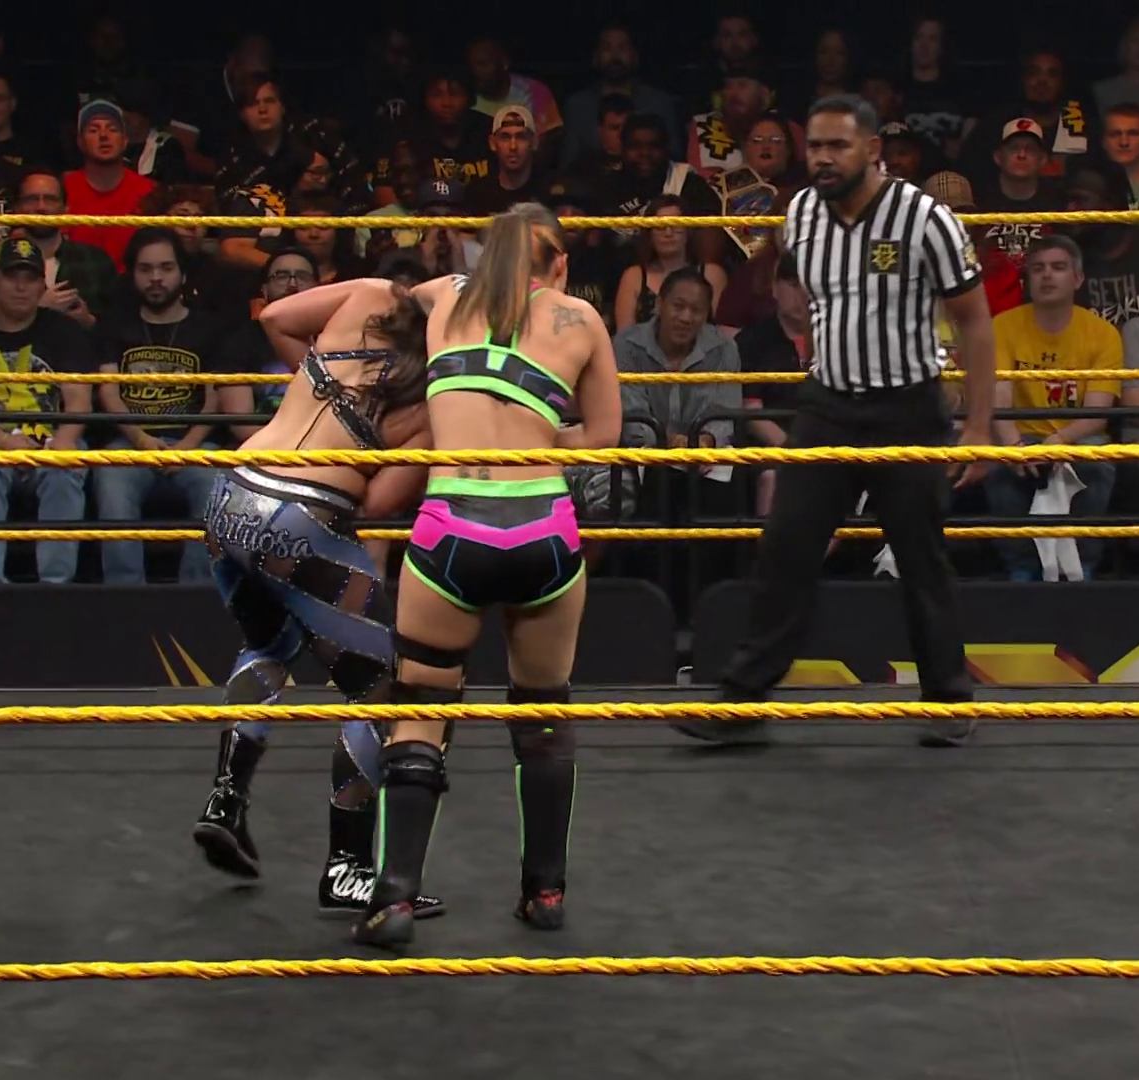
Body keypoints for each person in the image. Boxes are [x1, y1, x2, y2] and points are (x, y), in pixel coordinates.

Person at [671, 94, 997, 748]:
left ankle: (948, 697)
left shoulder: (924, 218)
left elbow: (975, 321)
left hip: (908, 407)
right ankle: (743, 700)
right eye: (815, 145)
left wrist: (980, 427)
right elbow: (824, 305)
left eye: (837, 146)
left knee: (921, 559)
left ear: (872, 150)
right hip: (828, 405)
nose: (822, 157)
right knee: (785, 546)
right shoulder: (799, 215)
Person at [353, 202, 622, 948]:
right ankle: (545, 893)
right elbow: (604, 435)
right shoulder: (579, 318)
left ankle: (394, 899)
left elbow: (377, 299)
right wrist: (537, 438)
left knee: (420, 707)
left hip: (452, 526)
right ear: (558, 263)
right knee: (544, 713)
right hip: (541, 527)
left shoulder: (445, 297)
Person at [192, 275, 448, 918]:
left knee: (269, 642)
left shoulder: (368, 297)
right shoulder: (436, 396)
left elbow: (274, 316)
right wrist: (389, 442)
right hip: (302, 517)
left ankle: (226, 800)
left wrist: (314, 383)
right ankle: (348, 868)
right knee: (379, 686)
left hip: (231, 495)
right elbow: (379, 503)